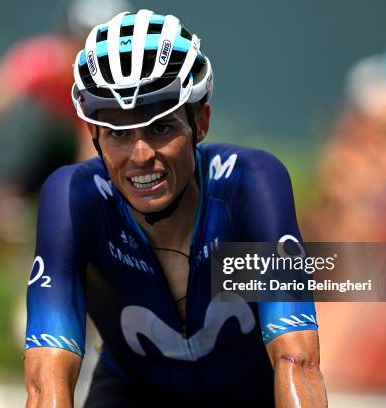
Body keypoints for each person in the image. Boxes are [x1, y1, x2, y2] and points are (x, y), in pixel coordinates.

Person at [24, 10, 327, 407]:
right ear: (94, 135)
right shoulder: (74, 199)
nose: (141, 155)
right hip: (132, 394)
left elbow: (297, 358)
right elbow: (48, 382)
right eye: (117, 133)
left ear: (200, 121)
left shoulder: (250, 185)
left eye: (161, 127)